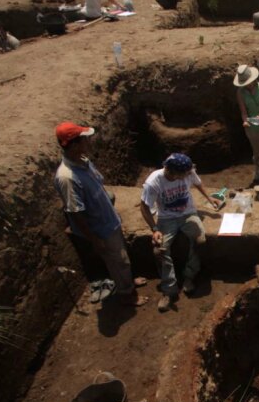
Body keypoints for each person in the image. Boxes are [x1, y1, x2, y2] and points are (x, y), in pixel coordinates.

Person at [54, 121, 147, 306]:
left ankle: (127, 282)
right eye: (84, 140)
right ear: (73, 145)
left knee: (121, 257)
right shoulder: (67, 178)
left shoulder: (84, 162)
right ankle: (127, 294)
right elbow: (75, 213)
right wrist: (95, 240)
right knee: (117, 261)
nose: (89, 142)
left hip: (108, 219)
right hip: (100, 229)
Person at [140, 153, 220, 313]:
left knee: (200, 242)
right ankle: (169, 289)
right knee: (159, 250)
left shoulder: (188, 171)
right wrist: (154, 229)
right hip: (166, 218)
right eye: (184, 174)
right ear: (171, 172)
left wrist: (210, 199)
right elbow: (144, 207)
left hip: (188, 214)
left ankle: (189, 277)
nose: (188, 176)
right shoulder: (154, 182)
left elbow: (197, 183)